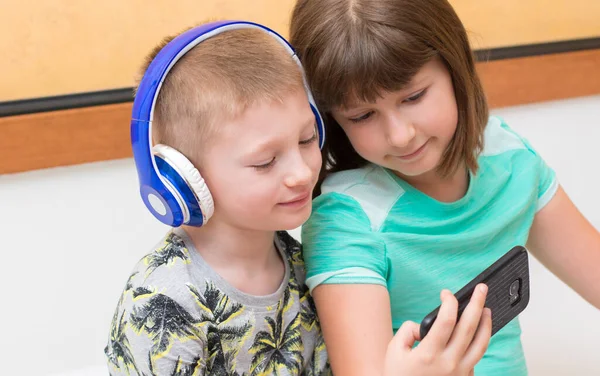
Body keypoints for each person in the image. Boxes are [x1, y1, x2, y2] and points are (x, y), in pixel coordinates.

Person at [105, 19, 492, 376]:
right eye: (265, 161)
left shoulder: (304, 263)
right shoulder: (160, 304)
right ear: (182, 178)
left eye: (307, 139)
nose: (303, 172)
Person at [289, 1, 600, 375]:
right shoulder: (346, 219)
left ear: (454, 67)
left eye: (413, 97)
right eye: (362, 115)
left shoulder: (509, 157)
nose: (400, 135)